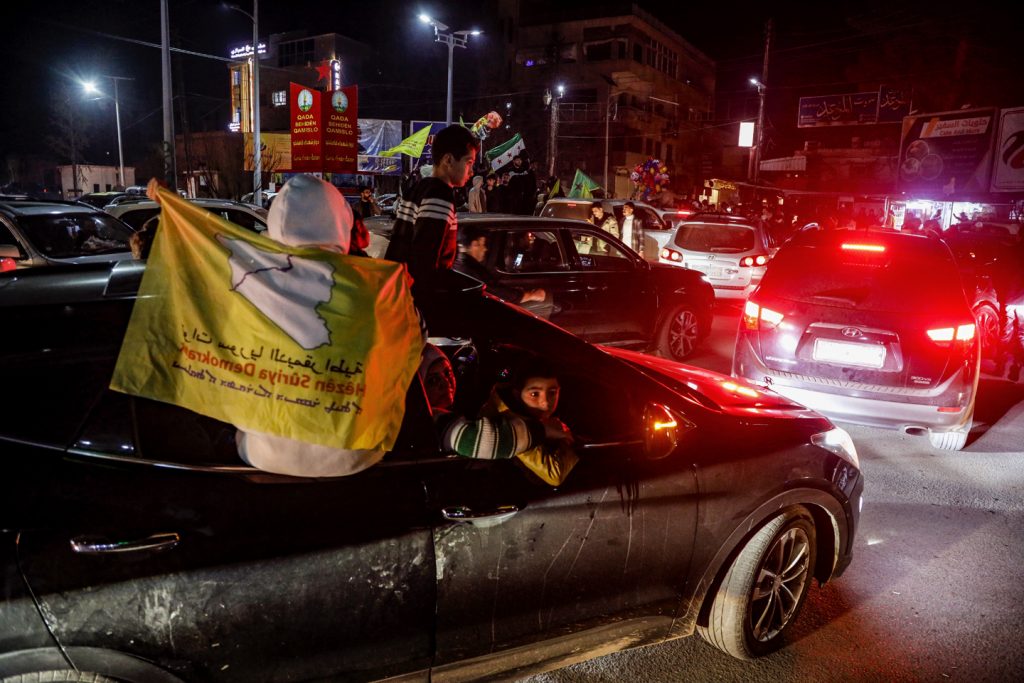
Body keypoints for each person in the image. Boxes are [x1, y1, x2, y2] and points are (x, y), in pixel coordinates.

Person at [233, 174, 386, 477]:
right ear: (339, 222)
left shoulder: (246, 286)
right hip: (356, 454)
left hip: (262, 454)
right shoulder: (372, 289)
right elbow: (413, 341)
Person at [419, 345, 570, 472]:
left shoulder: (444, 415)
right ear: (418, 388)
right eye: (433, 380)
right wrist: (543, 430)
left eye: (447, 373)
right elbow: (479, 441)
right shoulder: (431, 419)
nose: (445, 383)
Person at [384, 124, 478, 292]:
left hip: (400, 289)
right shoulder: (440, 195)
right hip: (420, 296)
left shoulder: (417, 188)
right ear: (448, 160)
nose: (471, 172)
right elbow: (425, 259)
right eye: (468, 162)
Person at [479, 354, 578, 486]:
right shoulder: (508, 421)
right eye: (534, 394)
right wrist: (564, 437)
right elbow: (555, 474)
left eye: (552, 393)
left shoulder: (518, 409)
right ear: (517, 393)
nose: (545, 403)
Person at [454, 223, 547, 309]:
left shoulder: (457, 264)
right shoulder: (474, 271)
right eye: (483, 244)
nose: (485, 249)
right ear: (475, 244)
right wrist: (532, 295)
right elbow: (500, 293)